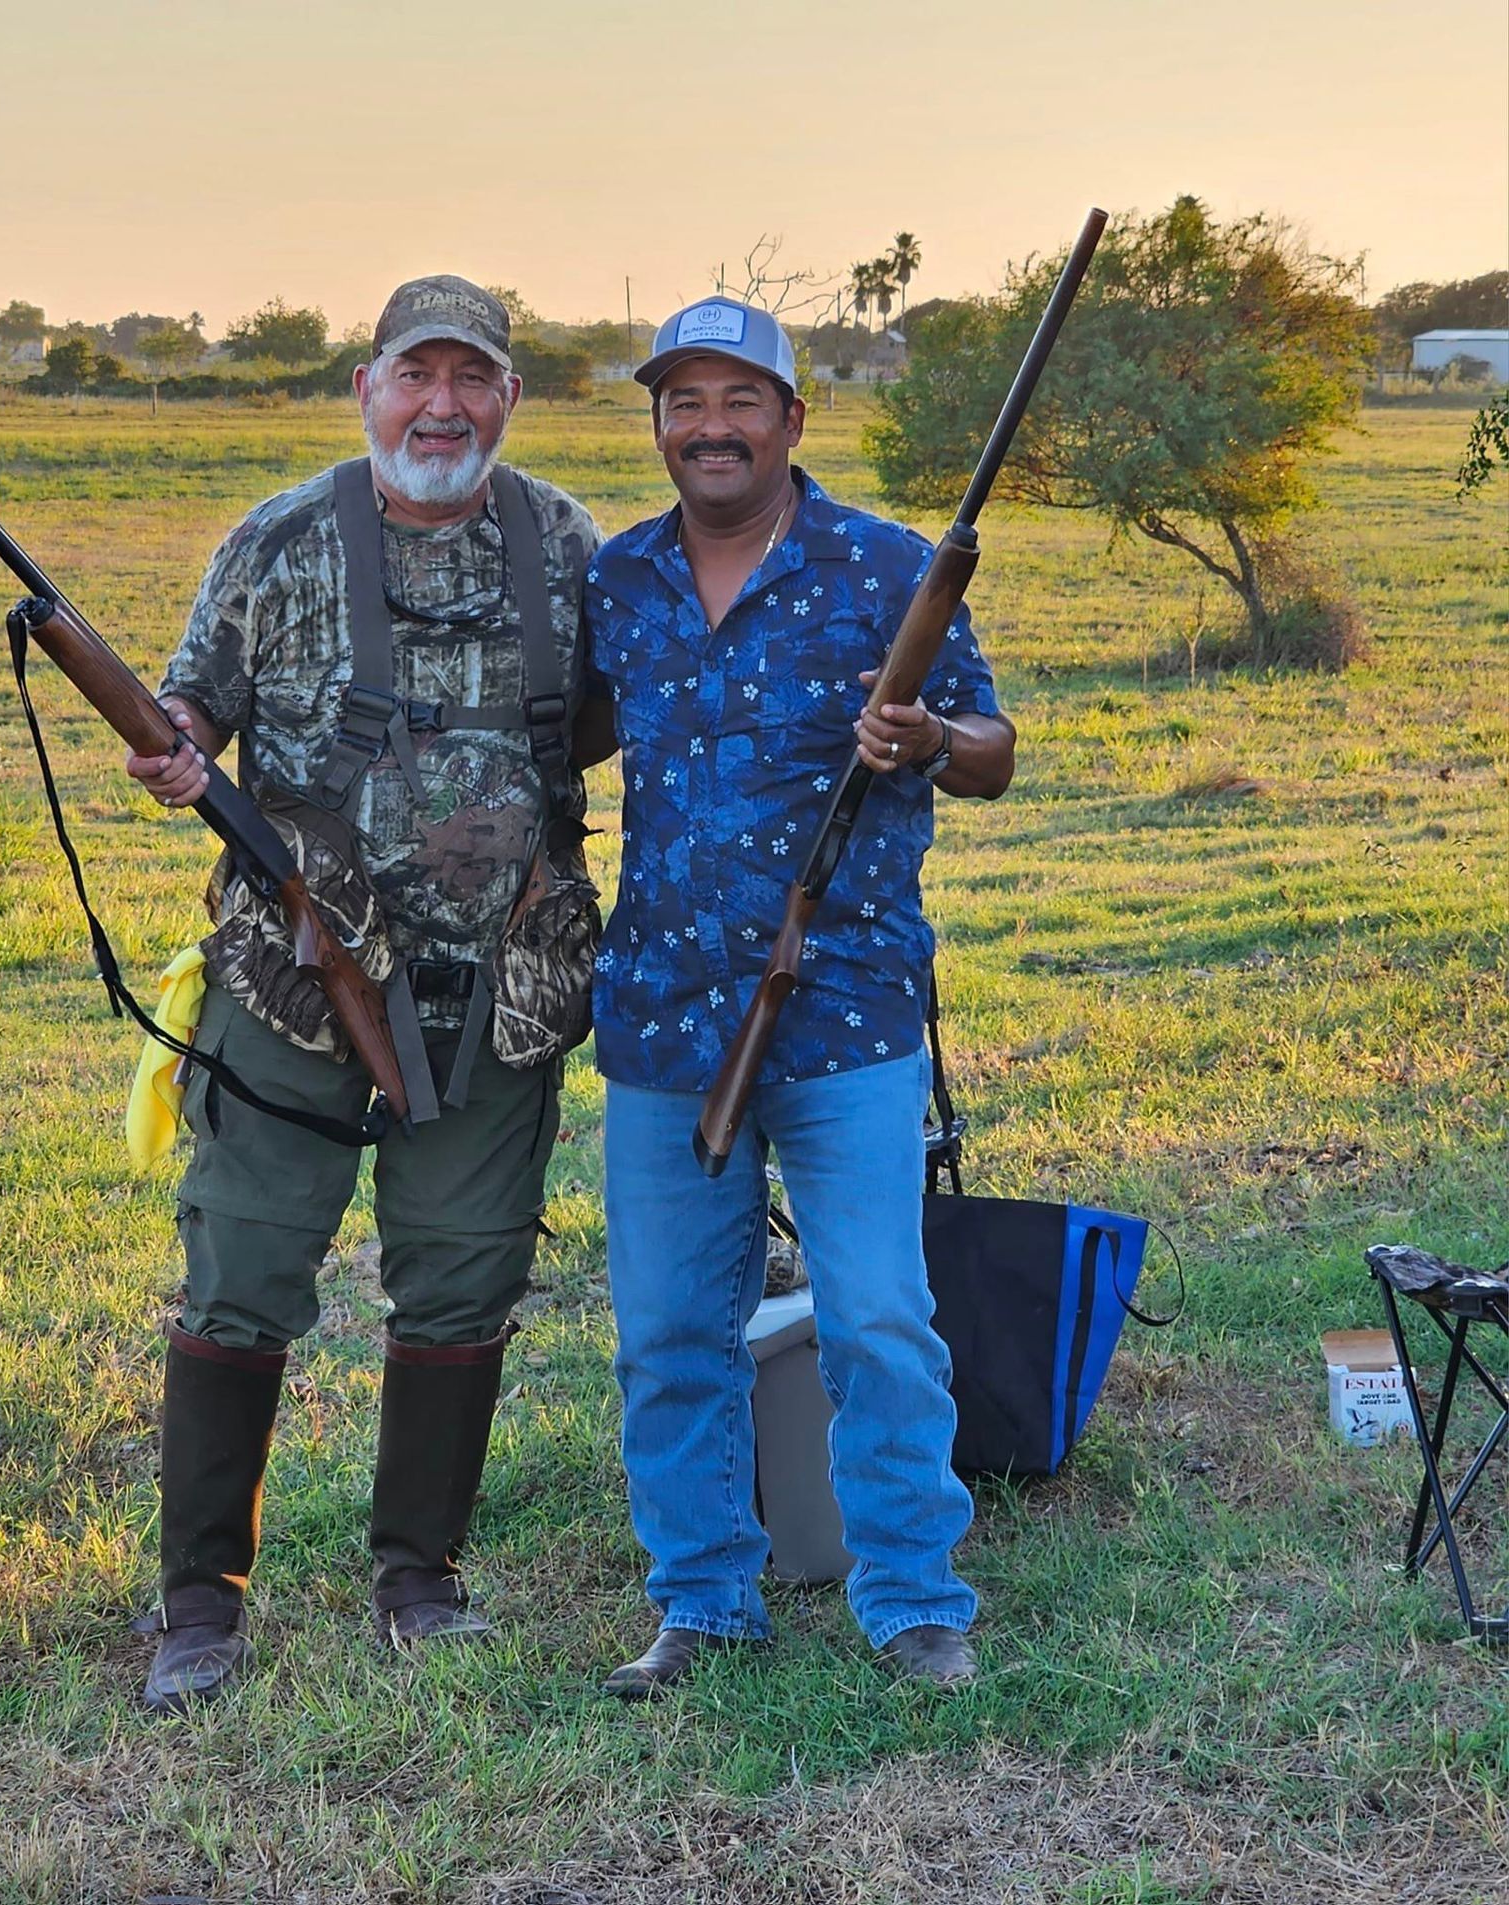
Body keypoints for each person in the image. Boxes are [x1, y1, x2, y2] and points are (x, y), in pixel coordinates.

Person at [124, 276, 600, 1713]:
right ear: (366, 384)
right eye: (417, 375)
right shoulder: (276, 540)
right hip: (289, 978)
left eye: (475, 378)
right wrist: (173, 745)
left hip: (498, 994)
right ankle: (201, 1603)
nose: (441, 405)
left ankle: (420, 1578)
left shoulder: (571, 546)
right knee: (243, 1273)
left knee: (463, 1279)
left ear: (510, 398)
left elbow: (635, 715)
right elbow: (190, 699)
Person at [581, 297, 1017, 1697]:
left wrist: (931, 736)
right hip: (659, 1017)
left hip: (844, 1014)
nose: (709, 427)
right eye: (683, 403)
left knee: (879, 1314)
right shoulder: (621, 583)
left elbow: (994, 747)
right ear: (659, 424)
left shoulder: (885, 566)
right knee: (665, 1330)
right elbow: (563, 743)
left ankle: (912, 1600)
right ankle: (703, 1600)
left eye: (738, 401)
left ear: (791, 420)